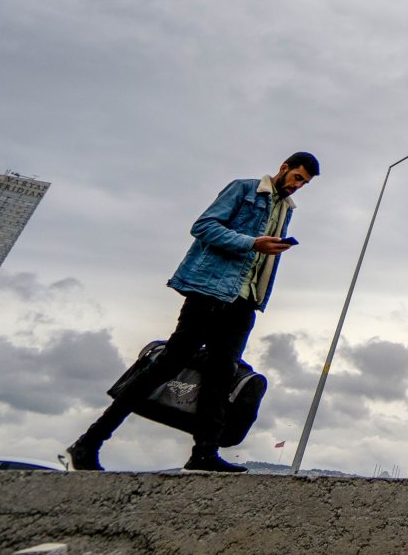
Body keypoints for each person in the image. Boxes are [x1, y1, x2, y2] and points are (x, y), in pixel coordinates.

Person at [66, 152, 320, 473]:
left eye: (305, 183)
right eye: (298, 178)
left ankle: (204, 453)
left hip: (243, 302)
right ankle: (89, 442)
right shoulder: (244, 189)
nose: (299, 186)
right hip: (210, 293)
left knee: (221, 377)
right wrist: (252, 243)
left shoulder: (285, 209)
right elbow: (204, 226)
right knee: (166, 366)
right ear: (284, 169)